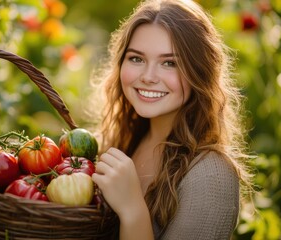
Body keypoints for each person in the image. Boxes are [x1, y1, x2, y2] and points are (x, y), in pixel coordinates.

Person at [90, 0, 254, 239]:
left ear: (199, 72)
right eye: (137, 58)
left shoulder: (211, 176)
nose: (148, 77)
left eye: (170, 63)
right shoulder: (119, 141)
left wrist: (133, 211)